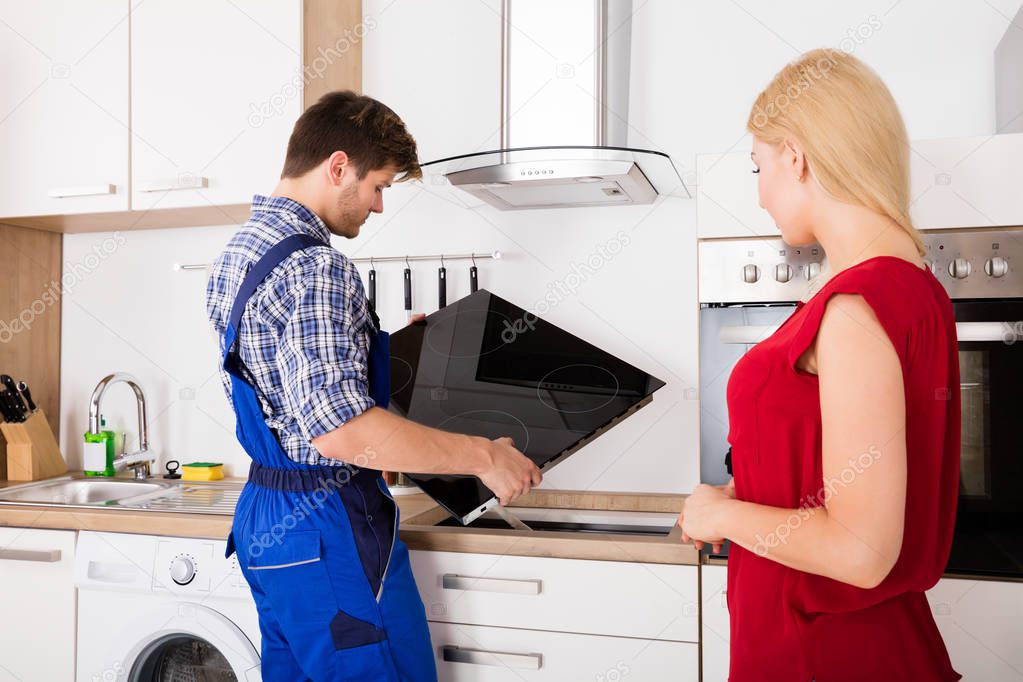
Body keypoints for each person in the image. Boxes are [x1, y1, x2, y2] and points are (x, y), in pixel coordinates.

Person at [206, 90, 542, 681]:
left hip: (267, 521)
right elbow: (339, 430)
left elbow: (286, 393)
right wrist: (484, 455)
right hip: (328, 525)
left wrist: (393, 354)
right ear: (338, 167)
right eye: (378, 186)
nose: (379, 206)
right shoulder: (318, 267)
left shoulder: (240, 251)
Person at [678, 49, 962, 681]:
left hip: (821, 653)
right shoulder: (914, 289)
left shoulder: (855, 306)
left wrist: (719, 515)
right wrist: (746, 495)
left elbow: (861, 550)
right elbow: (846, 479)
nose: (758, 195)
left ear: (796, 155)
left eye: (758, 165)